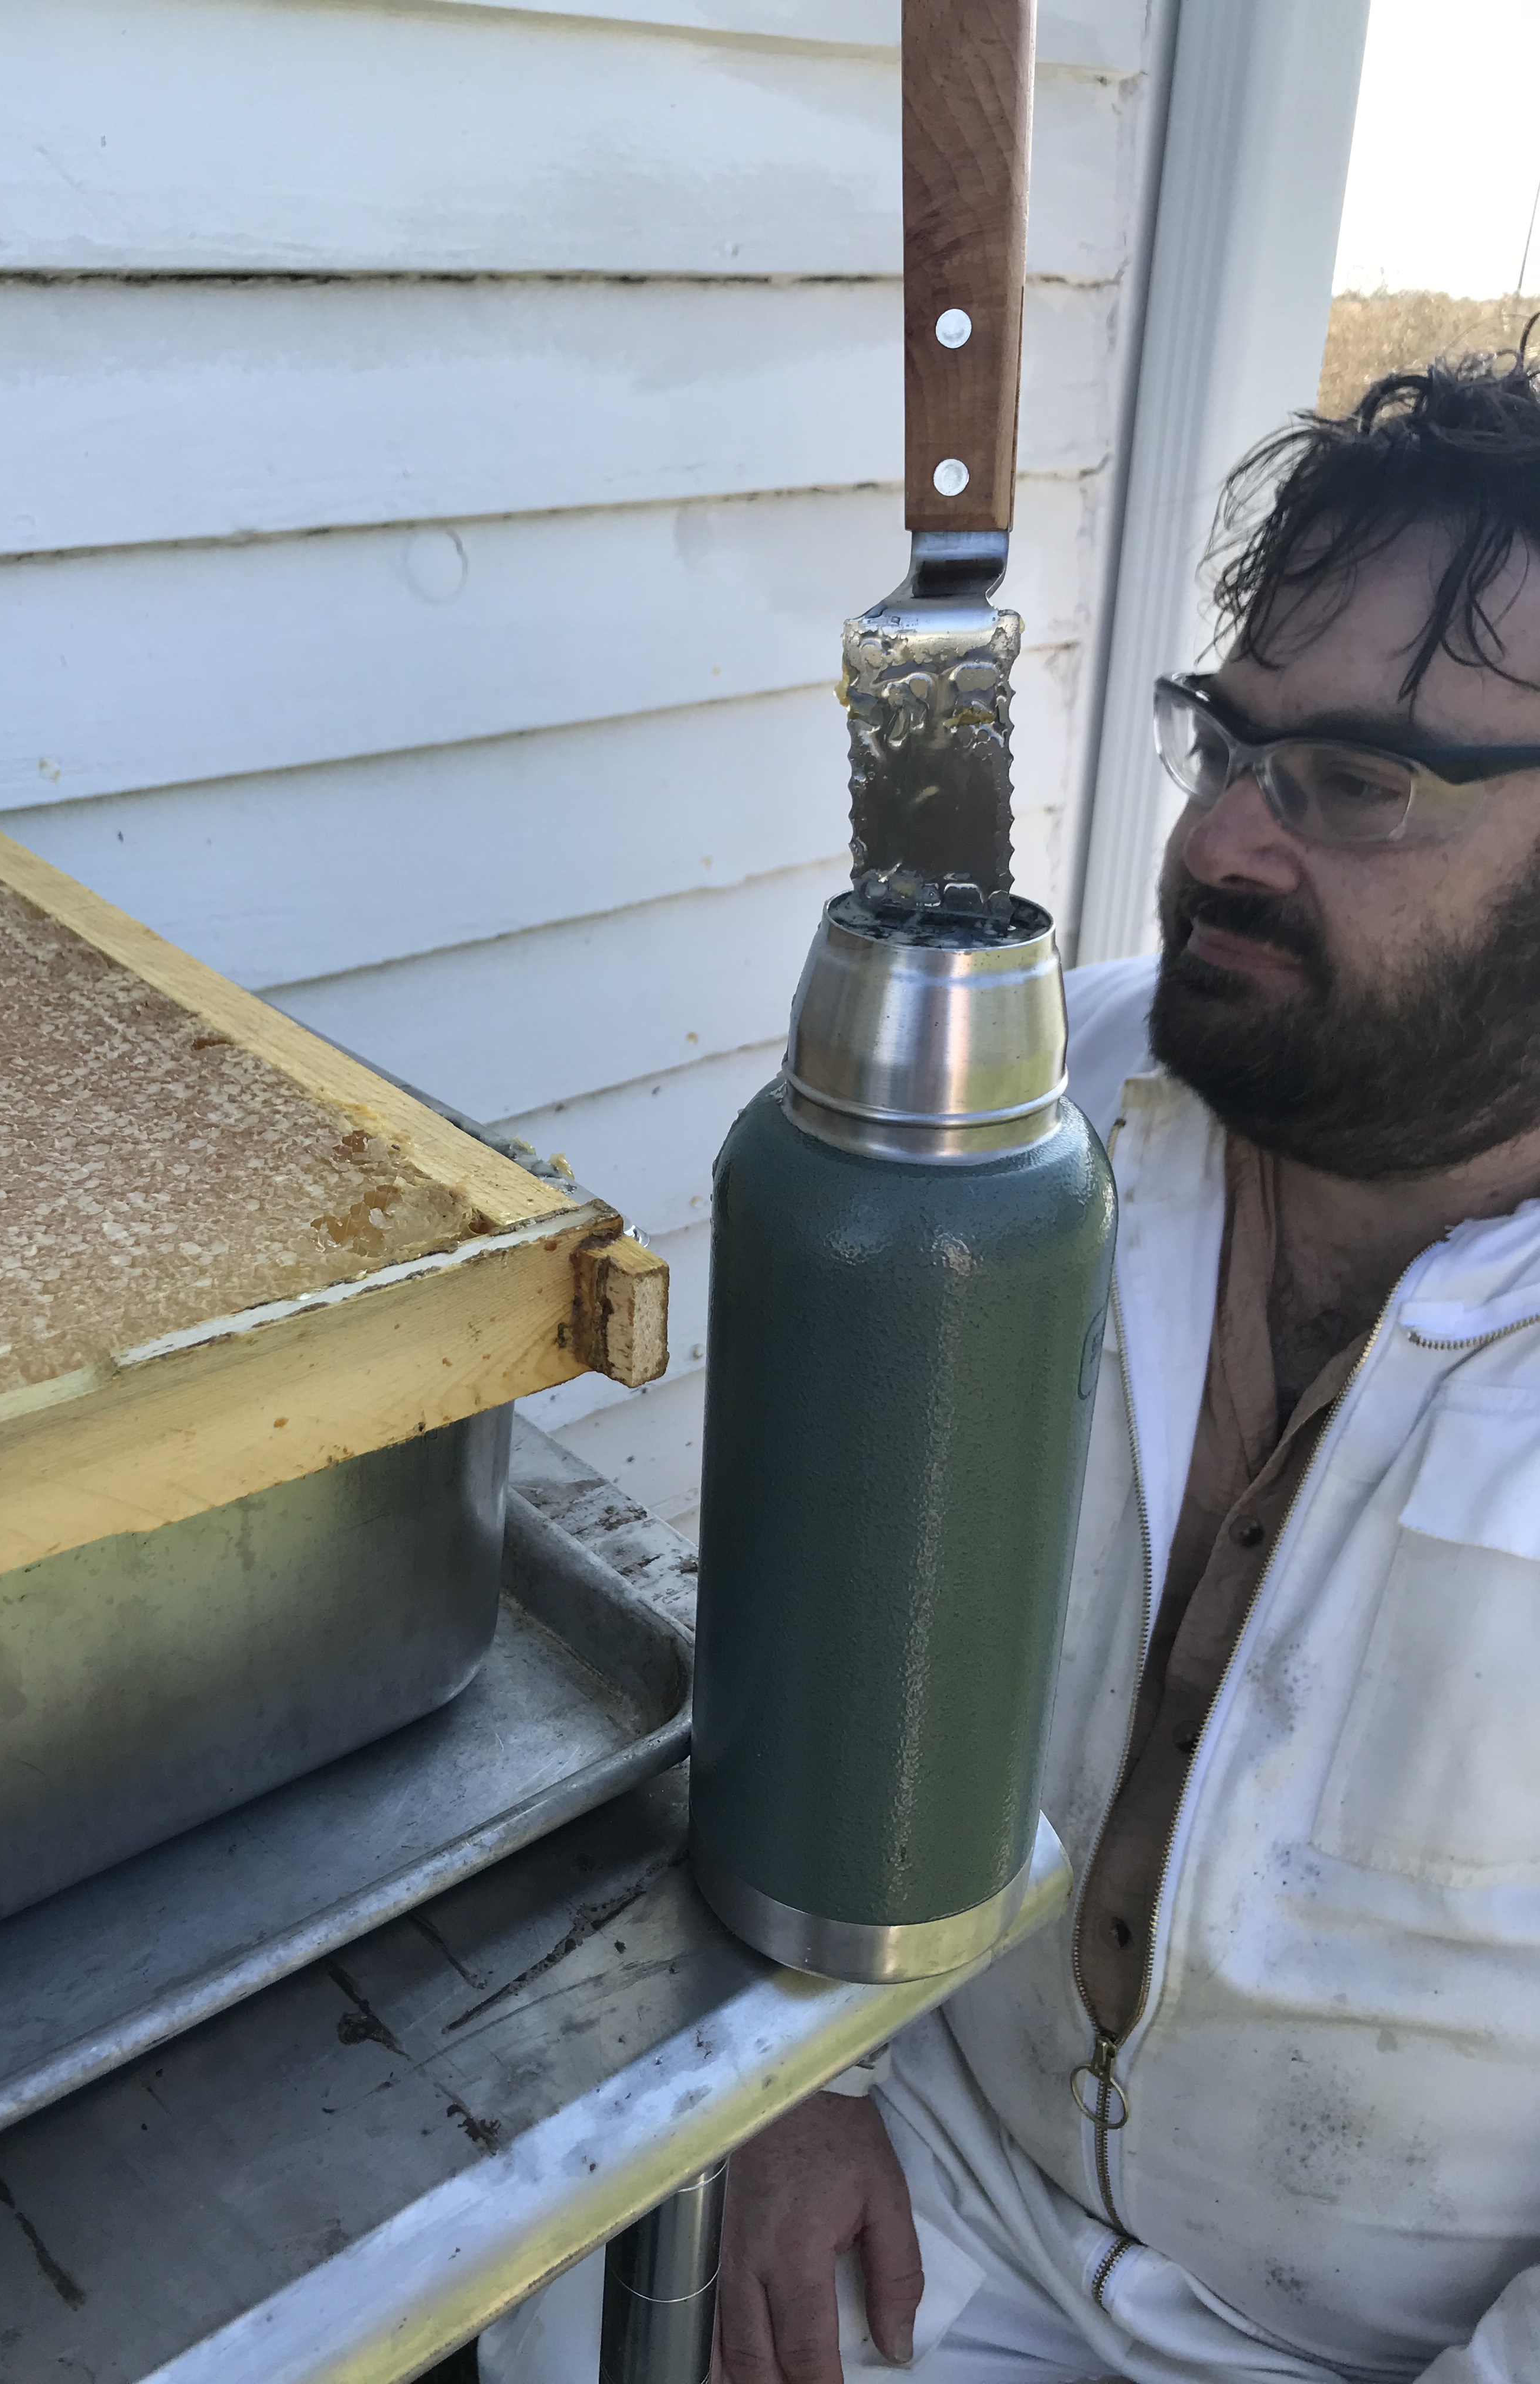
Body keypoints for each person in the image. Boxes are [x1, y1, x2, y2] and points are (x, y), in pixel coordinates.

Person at [482, 338, 1540, 2384]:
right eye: (1226, 744)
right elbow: (807, 1625)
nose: (1223, 845)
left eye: (1355, 784)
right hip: (936, 2171)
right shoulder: (1033, 1106)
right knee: (546, 2309)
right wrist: (793, 2073)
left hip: (1373, 2348)